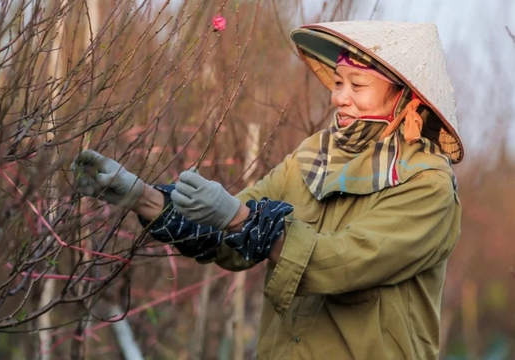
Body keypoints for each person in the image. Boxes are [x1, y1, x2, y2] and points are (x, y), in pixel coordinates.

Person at [71, 21, 463, 360]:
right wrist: (143, 197)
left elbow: (339, 263)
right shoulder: (314, 156)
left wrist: (242, 220)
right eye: (339, 82)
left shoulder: (426, 184)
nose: (339, 97)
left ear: (405, 98)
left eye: (357, 85)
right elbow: (228, 236)